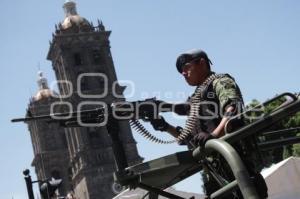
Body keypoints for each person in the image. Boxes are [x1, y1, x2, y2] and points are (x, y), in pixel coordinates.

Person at [149, 49, 267, 198]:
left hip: (238, 166)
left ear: (202, 63)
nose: (183, 74)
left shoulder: (220, 81)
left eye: (186, 68)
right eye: (181, 72)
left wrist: (214, 135)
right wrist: (164, 126)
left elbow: (233, 107)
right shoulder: (196, 99)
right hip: (216, 175)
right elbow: (189, 138)